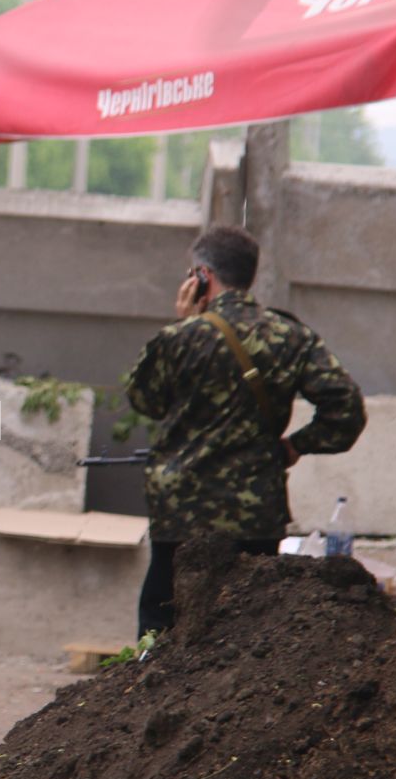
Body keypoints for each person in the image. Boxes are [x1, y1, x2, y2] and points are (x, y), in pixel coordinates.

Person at [124, 224, 365, 635]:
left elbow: (146, 401)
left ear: (202, 275)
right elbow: (347, 411)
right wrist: (296, 445)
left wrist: (184, 324)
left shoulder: (182, 337)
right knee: (244, 630)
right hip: (257, 515)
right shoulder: (291, 335)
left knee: (162, 627)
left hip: (183, 513)